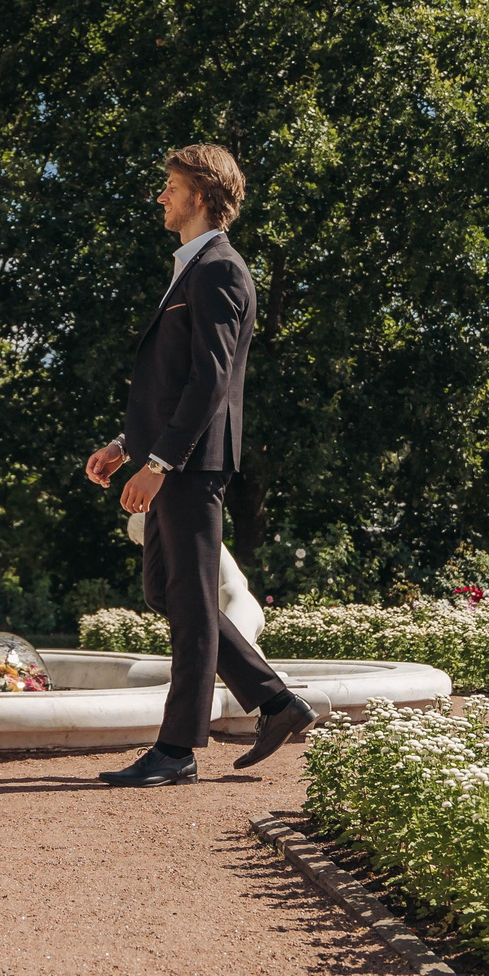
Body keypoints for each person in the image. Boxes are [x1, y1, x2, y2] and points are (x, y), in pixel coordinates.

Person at [84, 146, 313, 787]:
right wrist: (124, 446)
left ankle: (178, 747)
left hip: (191, 465)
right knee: (168, 592)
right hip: (172, 458)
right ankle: (275, 700)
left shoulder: (219, 270)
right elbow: (174, 384)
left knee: (187, 597)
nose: (161, 196)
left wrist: (158, 461)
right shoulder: (190, 270)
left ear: (203, 196)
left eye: (172, 186)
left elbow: (211, 381)